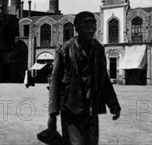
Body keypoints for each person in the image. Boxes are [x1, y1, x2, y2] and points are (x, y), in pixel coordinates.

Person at [47, 11, 121, 145]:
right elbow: (55, 81)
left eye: (93, 26)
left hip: (91, 110)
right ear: (78, 29)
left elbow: (104, 80)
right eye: (87, 26)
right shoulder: (65, 50)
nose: (91, 30)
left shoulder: (98, 49)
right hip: (71, 109)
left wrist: (114, 105)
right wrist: (53, 113)